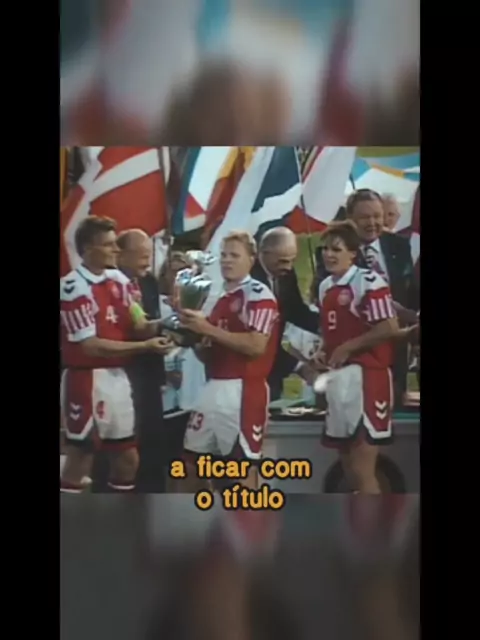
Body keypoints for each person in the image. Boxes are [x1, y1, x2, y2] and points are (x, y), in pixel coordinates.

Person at [60, 216, 173, 493]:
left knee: (127, 458)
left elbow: (140, 324)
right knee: (81, 457)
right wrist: (144, 347)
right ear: (89, 249)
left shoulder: (120, 282)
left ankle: (117, 515)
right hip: (86, 380)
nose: (116, 250)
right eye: (109, 244)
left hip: (118, 379)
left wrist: (173, 322)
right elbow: (90, 345)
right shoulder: (72, 288)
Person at [313, 221, 413, 494]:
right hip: (339, 380)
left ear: (352, 253)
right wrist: (323, 351)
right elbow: (331, 332)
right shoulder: (325, 287)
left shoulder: (368, 281)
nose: (329, 254)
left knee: (363, 467)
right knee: (347, 466)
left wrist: (349, 347)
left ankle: (376, 520)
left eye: (336, 249)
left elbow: (388, 327)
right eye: (325, 249)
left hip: (367, 379)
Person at [175, 231, 280, 491]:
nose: (227, 260)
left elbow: (256, 346)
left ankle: (250, 517)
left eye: (234, 255)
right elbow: (208, 354)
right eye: (223, 255)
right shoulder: (219, 299)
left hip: (243, 390)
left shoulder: (259, 295)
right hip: (213, 387)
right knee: (192, 466)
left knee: (241, 469)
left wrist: (208, 329)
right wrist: (193, 337)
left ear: (251, 259)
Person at [314, 190, 419, 408]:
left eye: (377, 216)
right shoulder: (333, 253)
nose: (372, 223)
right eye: (364, 217)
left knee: (388, 411)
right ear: (350, 218)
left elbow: (410, 289)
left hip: (395, 349)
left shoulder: (398, 245)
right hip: (352, 356)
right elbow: (327, 305)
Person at [116, 228, 170, 493]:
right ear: (121, 255)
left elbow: (150, 322)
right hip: (121, 376)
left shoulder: (149, 282)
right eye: (141, 255)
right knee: (123, 449)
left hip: (150, 375)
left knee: (152, 443)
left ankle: (153, 501)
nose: (147, 262)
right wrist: (166, 324)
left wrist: (166, 335)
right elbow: (134, 327)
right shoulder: (112, 285)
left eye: (149, 255)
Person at [251, 227, 320, 400]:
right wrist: (299, 366)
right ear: (263, 253)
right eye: (282, 261)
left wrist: (327, 328)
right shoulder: (250, 280)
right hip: (253, 370)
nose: (288, 267)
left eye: (292, 261)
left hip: (274, 369)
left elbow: (296, 311)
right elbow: (263, 339)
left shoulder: (286, 274)